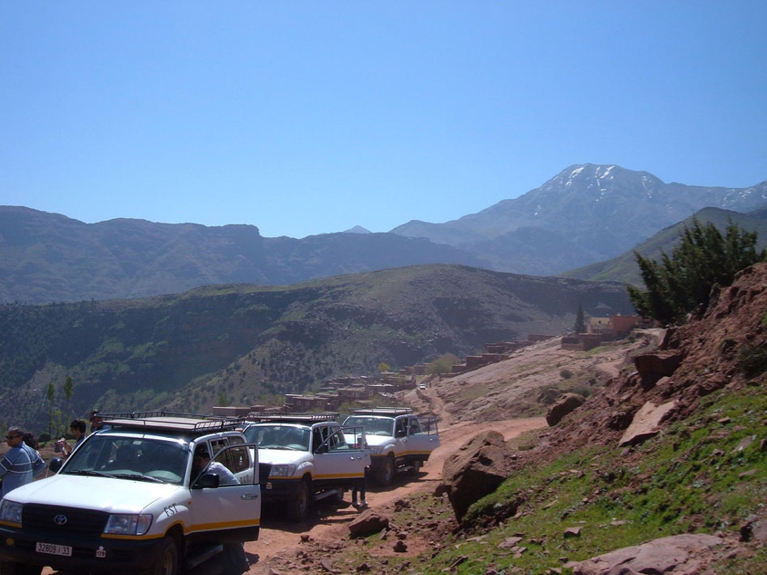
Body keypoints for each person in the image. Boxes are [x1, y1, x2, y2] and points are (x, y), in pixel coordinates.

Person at [0, 427, 46, 499]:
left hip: (10, 494)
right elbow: (42, 465)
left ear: (20, 438)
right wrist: (30, 475)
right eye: (7, 437)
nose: (8, 440)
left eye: (11, 437)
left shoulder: (14, 452)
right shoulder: (30, 450)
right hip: (24, 492)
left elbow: (1, 470)